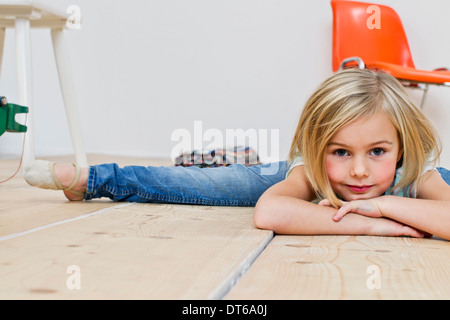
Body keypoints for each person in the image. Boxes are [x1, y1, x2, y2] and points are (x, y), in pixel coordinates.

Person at [24, 68, 450, 239]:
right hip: (303, 180)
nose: (358, 171)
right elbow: (270, 213)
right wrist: (373, 227)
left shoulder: (415, 170)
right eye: (341, 150)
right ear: (318, 147)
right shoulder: (313, 167)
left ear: (399, 150)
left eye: (376, 151)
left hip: (385, 187)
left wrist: (386, 204)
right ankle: (95, 179)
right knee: (217, 182)